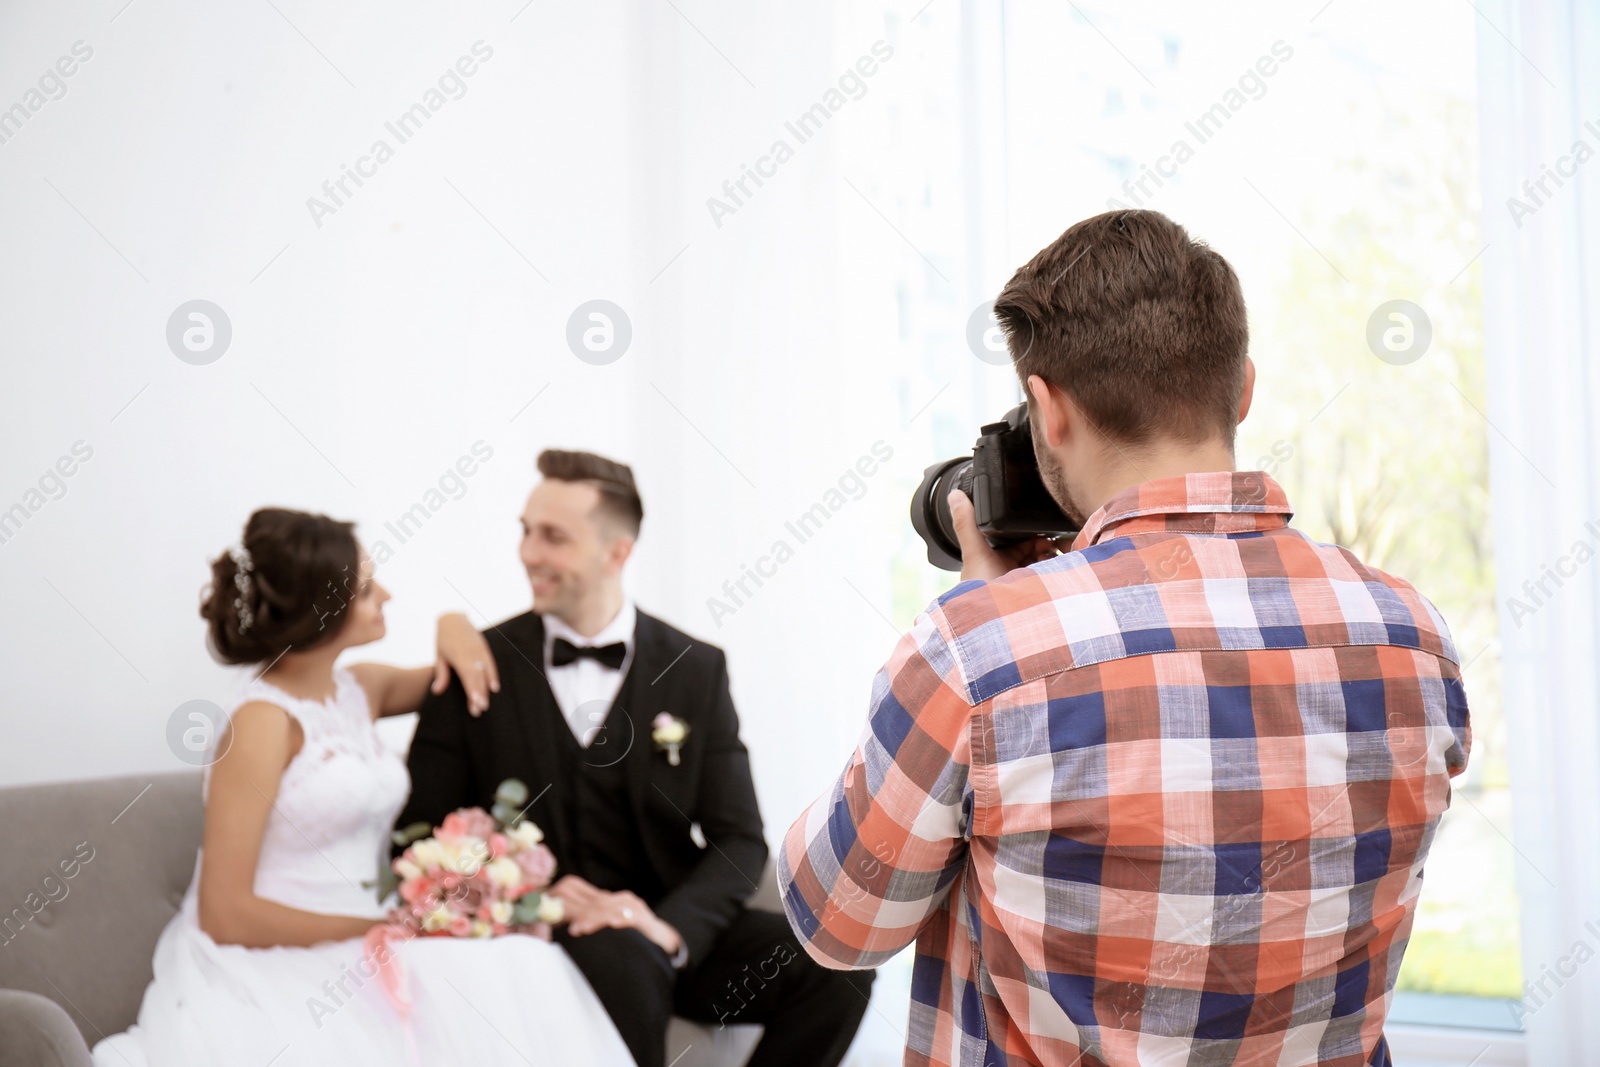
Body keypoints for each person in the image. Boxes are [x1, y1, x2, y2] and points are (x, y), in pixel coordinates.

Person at [778, 210, 1472, 1066]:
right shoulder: (1415, 635)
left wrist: (977, 625)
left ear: (1047, 409)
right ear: (1243, 388)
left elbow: (835, 923)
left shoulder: (977, 653)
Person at [93, 506, 635, 1066]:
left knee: (522, 963)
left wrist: (452, 619)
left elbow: (476, 667)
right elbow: (226, 913)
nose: (389, 598)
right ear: (321, 610)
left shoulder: (362, 690)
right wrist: (383, 926)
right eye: (369, 589)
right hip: (281, 952)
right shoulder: (260, 723)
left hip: (373, 933)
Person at [397, 449, 875, 1067]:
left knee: (835, 965)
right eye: (525, 531)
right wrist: (514, 895)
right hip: (542, 939)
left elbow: (738, 840)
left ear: (616, 552)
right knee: (621, 962)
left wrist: (666, 928)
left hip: (672, 933)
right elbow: (416, 834)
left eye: (553, 537)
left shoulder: (696, 668)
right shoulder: (477, 665)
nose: (528, 553)